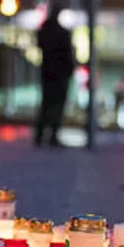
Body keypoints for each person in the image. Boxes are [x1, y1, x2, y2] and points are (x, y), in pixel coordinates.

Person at [35, 11, 75, 147]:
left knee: (47, 104)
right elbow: (67, 55)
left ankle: (41, 135)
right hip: (58, 74)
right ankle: (51, 135)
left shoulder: (45, 32)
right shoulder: (61, 34)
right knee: (56, 105)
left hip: (48, 73)